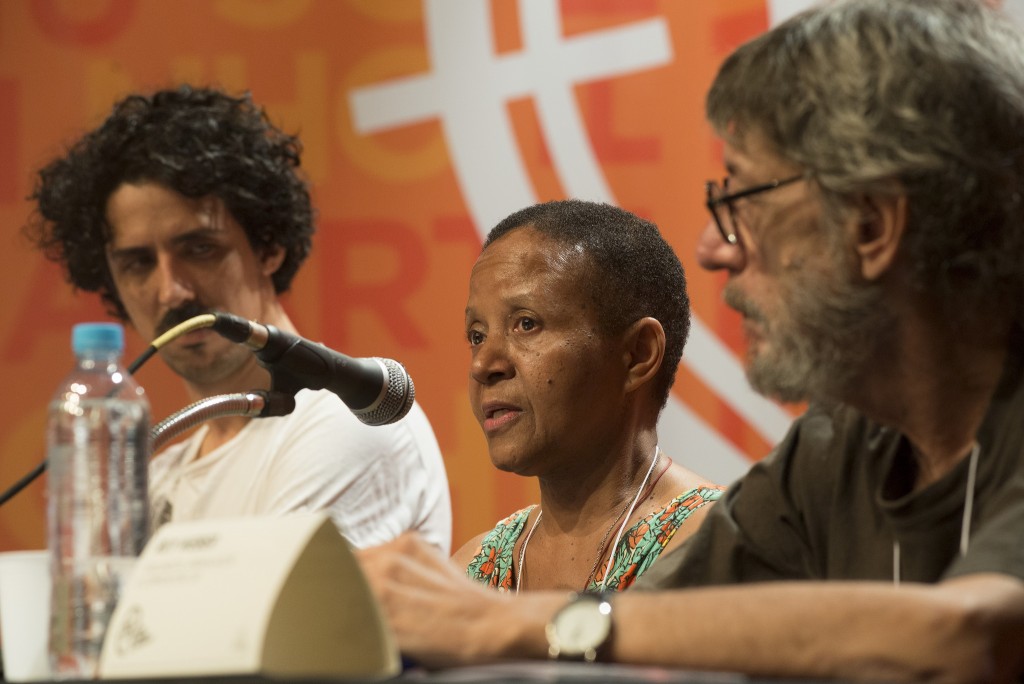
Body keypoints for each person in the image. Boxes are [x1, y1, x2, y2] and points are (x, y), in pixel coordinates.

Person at [357, 0, 1024, 679]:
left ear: (871, 226)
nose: (712, 248)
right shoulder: (835, 450)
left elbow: (974, 636)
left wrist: (502, 620)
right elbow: (648, 628)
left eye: (743, 204)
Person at [27, 85, 452, 553]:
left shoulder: (347, 422)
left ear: (268, 245)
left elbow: (265, 624)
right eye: (138, 263)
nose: (171, 290)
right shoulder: (161, 475)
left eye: (200, 249)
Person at [454, 199, 722, 593]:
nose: (483, 365)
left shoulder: (715, 543)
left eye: (526, 324)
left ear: (638, 355)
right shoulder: (472, 573)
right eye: (477, 336)